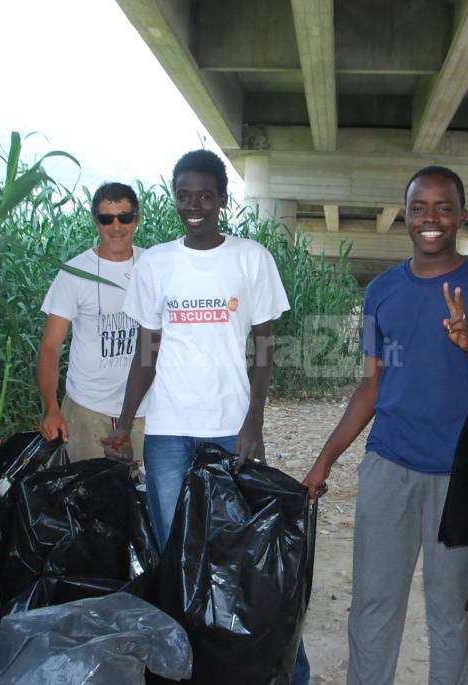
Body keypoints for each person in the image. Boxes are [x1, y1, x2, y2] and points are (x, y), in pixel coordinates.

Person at [303, 166, 468, 685]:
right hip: (388, 466)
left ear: (462, 215)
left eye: (443, 207)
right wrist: (324, 462)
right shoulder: (381, 290)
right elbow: (372, 385)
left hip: (463, 473)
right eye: (419, 207)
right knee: (374, 603)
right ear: (406, 215)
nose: (430, 218)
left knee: (454, 610)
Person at [104, 149, 309, 682]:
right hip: (169, 431)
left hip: (227, 426)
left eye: (205, 195)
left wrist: (254, 423)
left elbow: (265, 349)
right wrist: (126, 422)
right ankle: (186, 661)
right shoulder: (155, 264)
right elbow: (146, 351)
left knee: (231, 546)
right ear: (174, 198)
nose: (194, 205)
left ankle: (249, 659)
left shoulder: (250, 258)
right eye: (184, 195)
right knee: (175, 549)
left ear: (222, 199)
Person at [36, 182, 146, 463]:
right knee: (89, 497)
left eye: (125, 217)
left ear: (138, 218)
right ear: (95, 221)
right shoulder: (74, 274)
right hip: (86, 408)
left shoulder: (153, 267)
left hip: (145, 410)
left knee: (145, 498)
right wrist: (51, 407)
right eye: (107, 218)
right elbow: (49, 348)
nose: (116, 226)